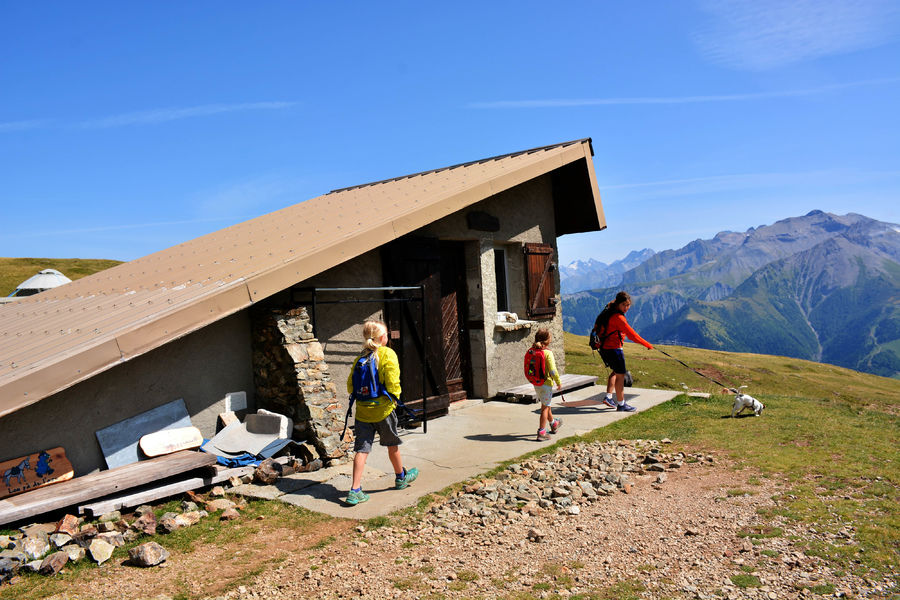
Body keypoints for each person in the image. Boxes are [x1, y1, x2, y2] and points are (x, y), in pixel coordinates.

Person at [345, 320, 418, 505]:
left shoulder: (360, 357)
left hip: (362, 413)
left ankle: (355, 490)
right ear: (381, 337)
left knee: (362, 450)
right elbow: (393, 382)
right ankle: (401, 477)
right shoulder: (388, 354)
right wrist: (394, 400)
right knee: (392, 446)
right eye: (385, 333)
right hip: (383, 410)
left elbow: (349, 386)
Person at [594, 291, 653, 412]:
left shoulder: (610, 310)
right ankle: (621, 404)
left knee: (615, 372)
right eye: (624, 305)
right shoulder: (618, 318)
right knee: (621, 376)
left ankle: (608, 397)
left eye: (628, 305)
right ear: (618, 304)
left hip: (605, 347)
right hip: (614, 349)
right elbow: (632, 335)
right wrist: (647, 344)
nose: (626, 308)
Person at [529, 328, 563, 441]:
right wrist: (558, 381)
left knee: (546, 403)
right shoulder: (547, 353)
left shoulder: (532, 351)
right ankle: (541, 432)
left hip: (536, 382)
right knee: (544, 407)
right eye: (550, 337)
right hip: (546, 383)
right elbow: (552, 370)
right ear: (547, 340)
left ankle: (554, 424)